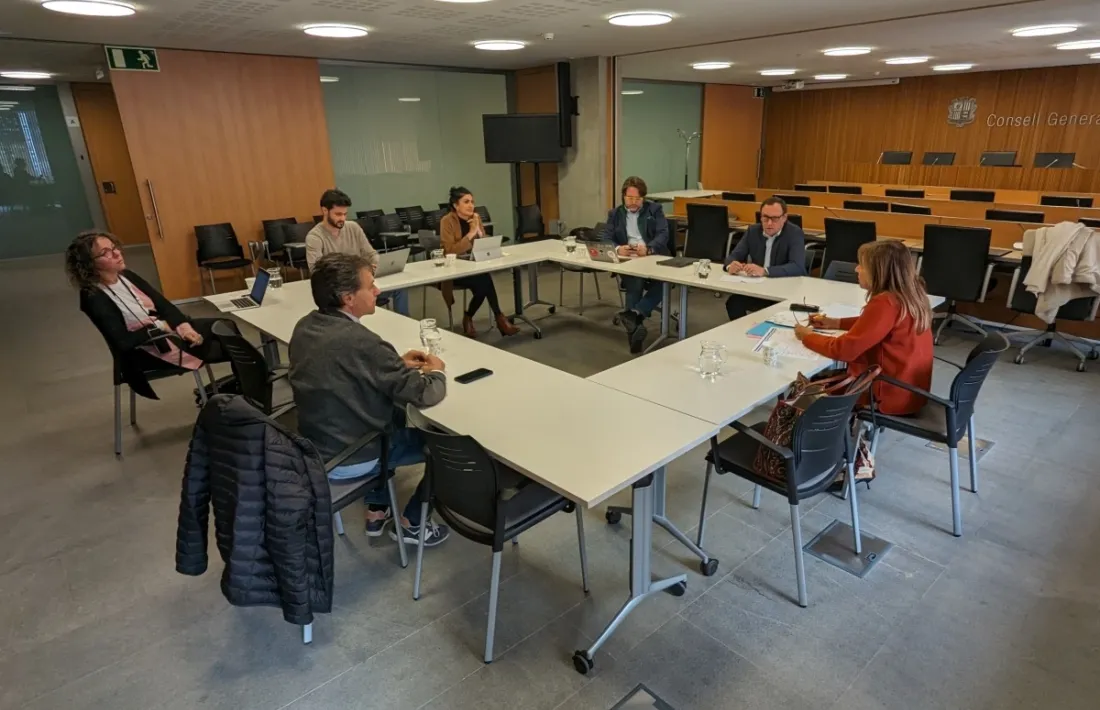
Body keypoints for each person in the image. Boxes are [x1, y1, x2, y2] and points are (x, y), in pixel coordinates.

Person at [288, 253, 450, 546]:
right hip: (356, 455)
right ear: (348, 298)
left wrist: (392, 363)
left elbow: (341, 371)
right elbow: (424, 393)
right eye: (371, 285)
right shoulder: (364, 342)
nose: (378, 291)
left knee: (388, 412)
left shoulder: (304, 327)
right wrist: (436, 372)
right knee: (447, 445)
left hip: (316, 449)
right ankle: (414, 523)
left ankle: (377, 510)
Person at [66, 230, 233, 398]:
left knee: (226, 327)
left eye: (114, 247)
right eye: (105, 253)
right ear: (89, 264)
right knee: (229, 347)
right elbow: (123, 342)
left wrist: (185, 328)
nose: (117, 253)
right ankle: (239, 393)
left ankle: (239, 391)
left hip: (164, 334)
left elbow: (164, 306)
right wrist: (160, 326)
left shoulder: (126, 276)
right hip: (144, 351)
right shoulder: (93, 296)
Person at [793, 240, 934, 416]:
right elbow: (877, 325)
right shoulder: (911, 295)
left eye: (862, 266)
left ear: (878, 272)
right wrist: (836, 323)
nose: (856, 270)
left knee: (806, 389)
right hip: (910, 392)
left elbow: (844, 350)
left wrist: (807, 336)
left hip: (886, 394)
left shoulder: (885, 303)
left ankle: (813, 439)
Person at [305, 188, 410, 316]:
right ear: (325, 211)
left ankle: (405, 322)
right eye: (338, 214)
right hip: (342, 294)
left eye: (345, 214)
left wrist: (375, 266)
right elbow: (317, 274)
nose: (342, 218)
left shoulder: (353, 228)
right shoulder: (315, 237)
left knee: (400, 289)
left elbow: (371, 254)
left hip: (362, 284)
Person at [601, 176, 670, 354]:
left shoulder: (655, 210)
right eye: (630, 198)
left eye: (638, 199)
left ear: (644, 198)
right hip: (628, 258)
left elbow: (663, 234)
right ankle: (634, 337)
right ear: (623, 196)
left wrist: (648, 249)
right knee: (635, 282)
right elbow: (606, 237)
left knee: (666, 282)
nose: (633, 202)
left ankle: (634, 315)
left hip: (651, 255)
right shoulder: (615, 214)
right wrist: (617, 249)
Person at [439, 186, 519, 338]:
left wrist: (480, 233)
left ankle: (472, 317)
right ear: (456, 205)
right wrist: (470, 233)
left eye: (472, 202)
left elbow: (483, 246)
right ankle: (497, 318)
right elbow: (449, 251)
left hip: (475, 266)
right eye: (466, 202)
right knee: (485, 281)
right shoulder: (447, 221)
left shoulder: (475, 218)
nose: (471, 205)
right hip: (454, 270)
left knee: (483, 280)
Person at [723, 196, 807, 320]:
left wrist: (765, 271)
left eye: (775, 219)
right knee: (733, 303)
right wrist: (731, 265)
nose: (769, 223)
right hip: (758, 287)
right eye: (765, 217)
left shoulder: (794, 233)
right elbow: (733, 256)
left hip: (784, 289)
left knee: (774, 312)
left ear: (784, 218)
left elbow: (797, 266)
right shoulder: (753, 231)